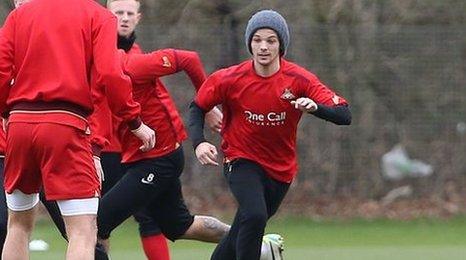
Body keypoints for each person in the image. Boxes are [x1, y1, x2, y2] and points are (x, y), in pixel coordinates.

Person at [189, 9, 351, 260]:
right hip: (240, 159)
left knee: (244, 227)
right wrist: (199, 143)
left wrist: (315, 107)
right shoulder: (230, 78)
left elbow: (344, 114)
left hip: (280, 171)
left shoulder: (298, 79)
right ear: (250, 43)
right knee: (254, 215)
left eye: (271, 41)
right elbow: (197, 107)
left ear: (281, 45)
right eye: (257, 40)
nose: (263, 47)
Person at [0, 0, 156, 259]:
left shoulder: (22, 13)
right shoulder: (98, 16)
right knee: (82, 232)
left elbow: (2, 72)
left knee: (18, 225)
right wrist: (134, 122)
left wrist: (7, 113)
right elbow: (110, 75)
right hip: (66, 125)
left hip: (20, 125)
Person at [96, 2, 230, 259]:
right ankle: (255, 241)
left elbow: (189, 58)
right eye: (117, 13)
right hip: (140, 155)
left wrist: (208, 104)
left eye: (129, 13)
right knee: (179, 225)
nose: (123, 19)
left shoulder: (132, 63)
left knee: (96, 224)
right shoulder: (105, 60)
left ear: (138, 17)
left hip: (156, 158)